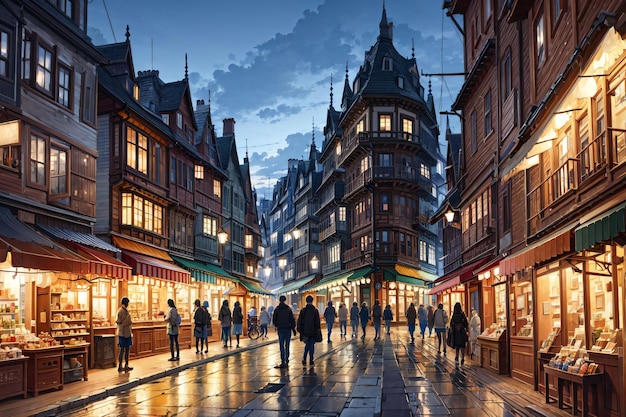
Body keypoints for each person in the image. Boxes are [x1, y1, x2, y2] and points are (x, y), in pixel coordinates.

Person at [272, 295, 297, 368]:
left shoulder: (277, 309)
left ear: (279, 300)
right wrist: (293, 328)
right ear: (285, 300)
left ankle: (283, 360)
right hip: (288, 329)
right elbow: (292, 319)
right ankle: (287, 358)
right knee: (287, 345)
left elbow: (274, 319)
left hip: (280, 329)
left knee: (281, 345)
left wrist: (277, 325)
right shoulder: (288, 309)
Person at [297, 294, 321, 366]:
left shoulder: (303, 310)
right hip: (313, 331)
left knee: (307, 345)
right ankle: (311, 360)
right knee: (312, 346)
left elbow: (299, 321)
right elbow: (317, 322)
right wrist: (318, 330)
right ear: (312, 301)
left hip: (305, 331)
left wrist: (300, 330)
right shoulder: (315, 311)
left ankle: (304, 358)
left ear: (306, 301)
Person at [115, 297, 133, 371]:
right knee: (124, 350)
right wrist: (127, 322)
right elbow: (119, 322)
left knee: (123, 349)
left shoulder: (122, 310)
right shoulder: (122, 311)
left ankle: (123, 365)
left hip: (124, 332)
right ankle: (123, 365)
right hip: (124, 332)